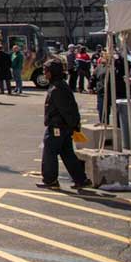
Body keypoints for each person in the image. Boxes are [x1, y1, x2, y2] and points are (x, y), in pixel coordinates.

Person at [38, 60, 92, 190]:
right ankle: (81, 179)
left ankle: (50, 180)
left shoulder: (57, 88)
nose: (44, 73)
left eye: (46, 71)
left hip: (58, 126)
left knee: (50, 152)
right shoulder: (59, 85)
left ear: (52, 72)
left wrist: (74, 125)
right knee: (67, 153)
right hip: (64, 126)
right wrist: (73, 125)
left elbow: (67, 109)